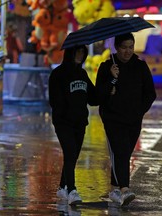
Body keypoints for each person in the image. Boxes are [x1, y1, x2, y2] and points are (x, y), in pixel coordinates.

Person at [95, 33, 156, 206]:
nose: (127, 51)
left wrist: (139, 112)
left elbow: (150, 93)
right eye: (124, 47)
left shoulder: (140, 66)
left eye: (131, 46)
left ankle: (114, 189)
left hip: (133, 119)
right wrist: (112, 80)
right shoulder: (106, 67)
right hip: (113, 119)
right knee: (120, 152)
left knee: (124, 154)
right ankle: (124, 189)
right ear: (116, 47)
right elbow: (98, 95)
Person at [49, 45, 98, 205]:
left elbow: (93, 98)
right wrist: (65, 112)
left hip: (80, 123)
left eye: (82, 52)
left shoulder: (82, 74)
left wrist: (110, 82)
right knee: (70, 153)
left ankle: (62, 187)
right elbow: (54, 101)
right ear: (70, 52)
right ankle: (72, 190)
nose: (79, 55)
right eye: (77, 52)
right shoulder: (58, 74)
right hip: (63, 123)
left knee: (73, 156)